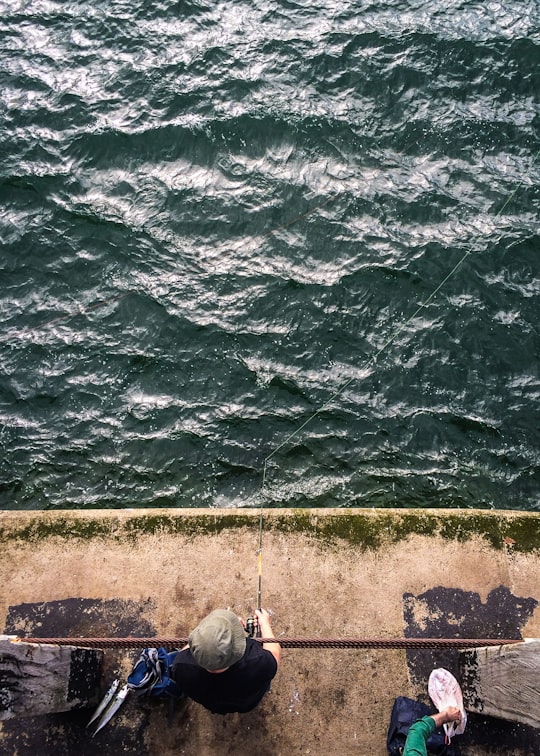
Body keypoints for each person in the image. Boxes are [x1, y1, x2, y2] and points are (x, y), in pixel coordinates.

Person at [170, 608, 280, 714]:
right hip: (247, 704)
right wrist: (265, 624)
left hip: (216, 706)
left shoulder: (181, 666)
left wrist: (207, 637)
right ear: (236, 650)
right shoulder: (257, 662)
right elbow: (274, 653)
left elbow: (189, 648)